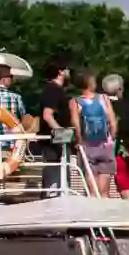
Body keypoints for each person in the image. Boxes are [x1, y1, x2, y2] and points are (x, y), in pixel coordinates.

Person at [70, 72, 118, 196]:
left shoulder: (75, 102)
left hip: (88, 147)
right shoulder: (104, 98)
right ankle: (105, 214)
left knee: (92, 193)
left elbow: (76, 126)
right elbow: (113, 123)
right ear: (90, 83)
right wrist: (110, 138)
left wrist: (79, 142)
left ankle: (93, 214)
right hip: (105, 145)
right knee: (104, 193)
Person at [35, 54, 75, 193]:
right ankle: (51, 202)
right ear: (60, 71)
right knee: (55, 178)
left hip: (57, 143)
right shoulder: (52, 89)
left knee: (61, 177)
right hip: (53, 143)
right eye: (68, 69)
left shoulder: (56, 90)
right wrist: (62, 133)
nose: (70, 72)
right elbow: (47, 115)